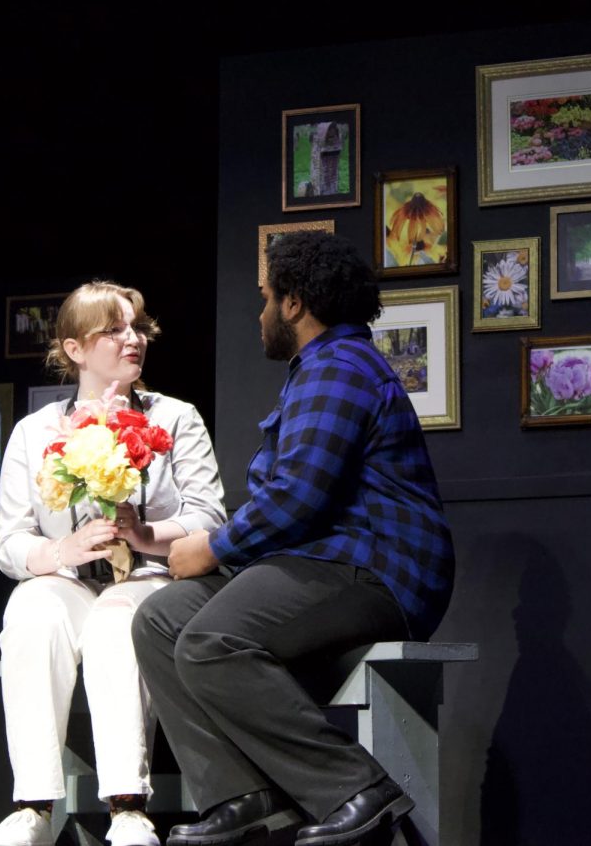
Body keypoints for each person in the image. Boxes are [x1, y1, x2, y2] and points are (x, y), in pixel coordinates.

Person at [131, 232, 455, 846]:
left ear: (294, 303)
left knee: (210, 640)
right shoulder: (317, 370)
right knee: (160, 619)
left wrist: (211, 548)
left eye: (264, 299)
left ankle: (357, 787)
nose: (259, 314)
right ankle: (242, 797)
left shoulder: (339, 367)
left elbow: (299, 498)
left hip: (375, 569)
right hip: (322, 561)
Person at [0, 281, 226, 846]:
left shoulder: (175, 416)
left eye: (138, 327)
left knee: (119, 619)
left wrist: (145, 535)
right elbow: (9, 541)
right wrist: (56, 553)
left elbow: (209, 516)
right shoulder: (35, 431)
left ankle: (126, 806)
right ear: (74, 349)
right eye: (114, 330)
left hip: (148, 578)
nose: (132, 339)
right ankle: (33, 807)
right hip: (70, 580)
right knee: (30, 610)